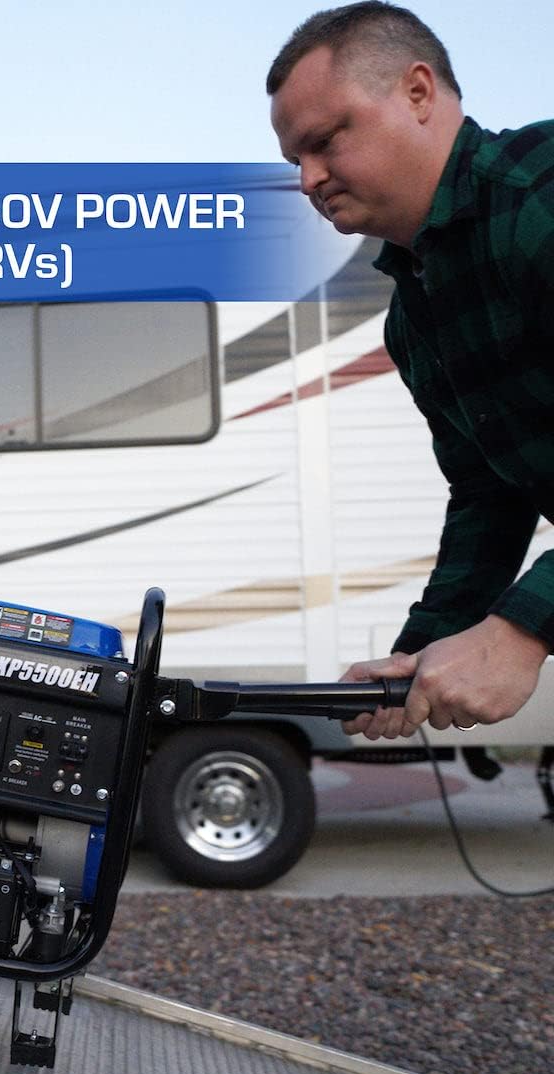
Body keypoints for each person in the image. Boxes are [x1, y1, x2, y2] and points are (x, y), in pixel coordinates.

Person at [266, 2, 553, 739]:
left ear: (418, 92)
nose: (308, 179)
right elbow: (489, 496)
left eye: (325, 141)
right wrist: (419, 653)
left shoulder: (540, 198)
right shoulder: (414, 315)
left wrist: (521, 631)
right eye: (295, 160)